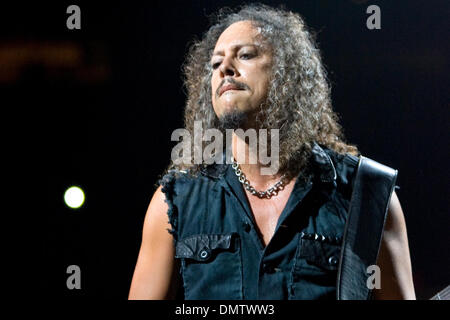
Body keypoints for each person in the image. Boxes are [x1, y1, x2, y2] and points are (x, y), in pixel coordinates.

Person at [128, 4, 416, 300]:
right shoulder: (174, 201)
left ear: (286, 74)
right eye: (215, 64)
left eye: (245, 55)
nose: (225, 68)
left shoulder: (366, 194)